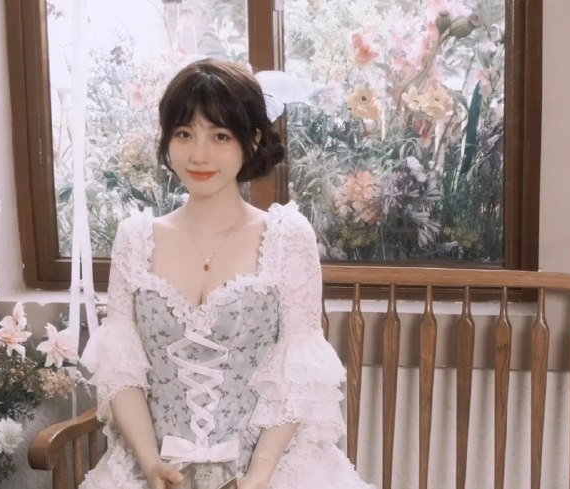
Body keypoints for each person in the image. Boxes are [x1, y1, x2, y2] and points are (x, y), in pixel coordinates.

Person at [79, 58, 374, 489]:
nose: (199, 154)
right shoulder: (135, 238)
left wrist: (257, 477)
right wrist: (151, 463)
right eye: (184, 134)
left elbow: (298, 372)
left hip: (269, 472)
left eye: (220, 136)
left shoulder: (287, 237)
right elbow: (121, 372)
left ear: (252, 139)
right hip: (152, 469)